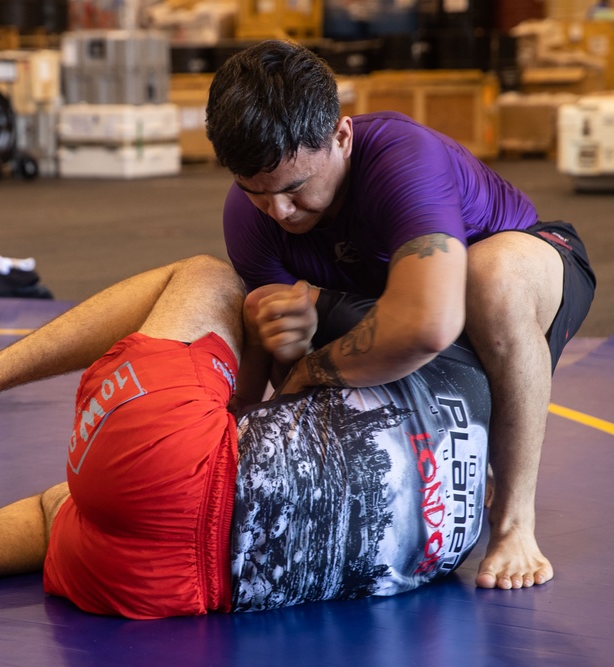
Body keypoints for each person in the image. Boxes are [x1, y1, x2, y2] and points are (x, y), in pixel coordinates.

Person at [0, 255, 490, 618]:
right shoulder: (449, 547)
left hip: (174, 459)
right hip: (173, 586)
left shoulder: (444, 358)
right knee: (60, 509)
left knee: (214, 276)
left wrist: (294, 340)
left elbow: (323, 327)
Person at [203, 40, 596, 590]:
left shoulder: (401, 156)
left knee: (490, 276)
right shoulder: (251, 213)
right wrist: (282, 347)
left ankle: (513, 523)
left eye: (294, 189)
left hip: (515, 292)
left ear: (341, 135)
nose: (281, 212)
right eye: (257, 194)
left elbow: (428, 325)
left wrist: (312, 368)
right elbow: (276, 356)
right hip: (405, 317)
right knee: (262, 307)